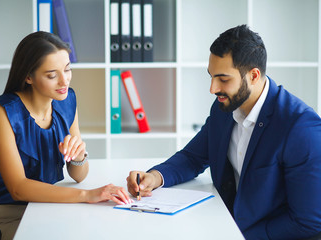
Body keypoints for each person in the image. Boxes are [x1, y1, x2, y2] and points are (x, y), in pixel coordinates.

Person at [126, 25, 321, 239]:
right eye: (211, 77)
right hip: (222, 222)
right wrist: (154, 177)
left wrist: (235, 234)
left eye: (223, 79)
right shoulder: (224, 109)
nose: (212, 88)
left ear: (254, 76)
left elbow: (307, 221)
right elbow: (193, 157)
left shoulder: (301, 128)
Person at [0, 31, 132, 240]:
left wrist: (78, 156)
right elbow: (18, 188)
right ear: (28, 76)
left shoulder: (67, 100)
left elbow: (79, 175)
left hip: (39, 208)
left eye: (67, 70)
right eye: (52, 75)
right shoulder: (2, 112)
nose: (64, 81)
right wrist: (87, 195)